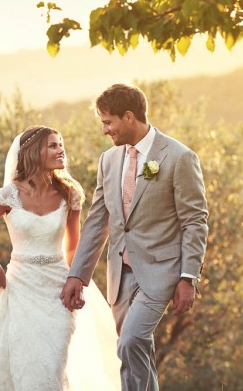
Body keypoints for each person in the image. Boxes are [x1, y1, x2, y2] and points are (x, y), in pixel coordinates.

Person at [60, 84, 209, 390]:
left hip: (162, 271)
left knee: (132, 340)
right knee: (135, 352)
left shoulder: (179, 157)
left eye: (108, 122)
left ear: (129, 117)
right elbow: (98, 220)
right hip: (120, 274)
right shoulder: (109, 160)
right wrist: (78, 274)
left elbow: (195, 220)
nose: (105, 130)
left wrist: (188, 276)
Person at [0, 125, 121, 390]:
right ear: (32, 152)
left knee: (52, 365)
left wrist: (78, 283)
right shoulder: (8, 195)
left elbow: (73, 249)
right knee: (26, 368)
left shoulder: (70, 193)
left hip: (58, 291)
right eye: (53, 145)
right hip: (20, 291)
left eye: (61, 144)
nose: (60, 149)